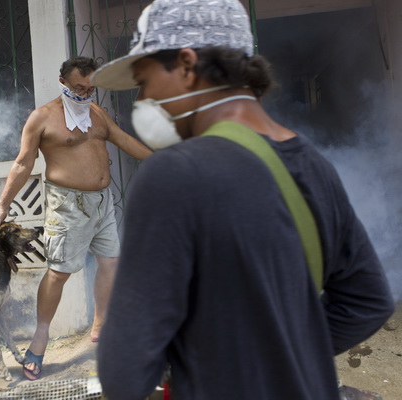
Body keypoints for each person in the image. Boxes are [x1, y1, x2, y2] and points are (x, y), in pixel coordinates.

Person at [91, 1, 395, 399]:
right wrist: (283, 355)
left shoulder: (173, 174)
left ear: (185, 65)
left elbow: (125, 368)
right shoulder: (313, 164)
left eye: (144, 80)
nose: (143, 98)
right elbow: (368, 300)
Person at [0, 56, 152, 380]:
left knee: (110, 262)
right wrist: (3, 205)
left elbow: (125, 140)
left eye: (91, 88)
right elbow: (23, 163)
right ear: (63, 82)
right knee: (60, 272)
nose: (85, 93)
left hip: (103, 203)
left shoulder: (97, 114)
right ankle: (40, 339)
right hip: (67, 205)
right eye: (79, 87)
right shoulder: (42, 118)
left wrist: (165, 159)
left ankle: (100, 323)